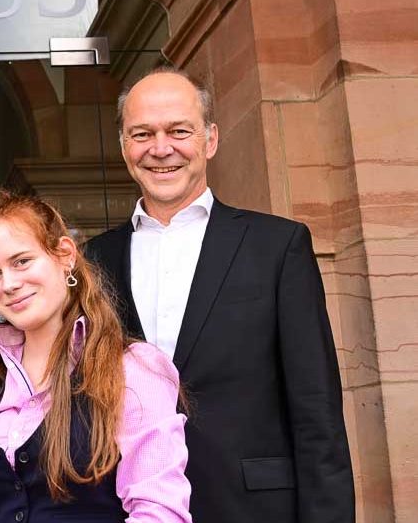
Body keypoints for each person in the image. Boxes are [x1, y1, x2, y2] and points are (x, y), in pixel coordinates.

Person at [85, 67, 354, 522]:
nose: (160, 148)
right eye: (142, 134)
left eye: (179, 131)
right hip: (128, 506)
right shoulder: (93, 260)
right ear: (123, 146)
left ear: (210, 139)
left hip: (253, 508)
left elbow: (317, 410)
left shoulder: (277, 246)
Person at [0, 189, 191, 522]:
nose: (9, 284)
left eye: (21, 261)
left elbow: (159, 511)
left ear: (64, 255)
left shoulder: (133, 369)